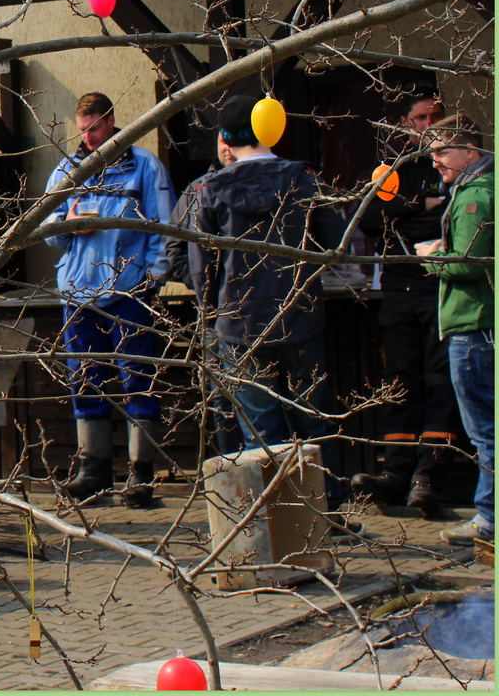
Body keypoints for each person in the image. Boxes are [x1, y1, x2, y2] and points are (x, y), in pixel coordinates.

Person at [188, 95, 349, 511]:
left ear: (225, 138)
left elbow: (200, 265)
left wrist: (212, 310)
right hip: (300, 317)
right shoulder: (304, 180)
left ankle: (281, 522)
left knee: (261, 432)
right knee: (314, 423)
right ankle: (326, 511)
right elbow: (337, 242)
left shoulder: (210, 191)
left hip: (239, 325)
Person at [43, 93, 176, 506]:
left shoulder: (143, 165)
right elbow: (44, 226)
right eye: (82, 129)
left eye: (94, 128)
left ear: (112, 121)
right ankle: (94, 471)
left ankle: (140, 474)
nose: (88, 137)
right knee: (85, 379)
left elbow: (164, 226)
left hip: (128, 291)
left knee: (139, 377)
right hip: (80, 293)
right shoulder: (67, 169)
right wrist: (66, 224)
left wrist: (151, 279)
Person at [353, 92, 460, 514]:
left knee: (439, 381)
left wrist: (406, 214)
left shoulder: (452, 167)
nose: (429, 124)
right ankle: (394, 474)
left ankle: (428, 477)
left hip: (440, 289)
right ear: (404, 123)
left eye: (436, 116)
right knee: (399, 383)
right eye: (421, 118)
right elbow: (370, 221)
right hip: (398, 289)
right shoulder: (393, 169)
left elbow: (448, 218)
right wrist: (418, 206)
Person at [417, 116, 493, 550]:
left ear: (470, 151)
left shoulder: (474, 198)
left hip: (474, 328)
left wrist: (431, 257)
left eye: (442, 151)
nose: (435, 162)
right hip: (484, 325)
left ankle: (489, 520)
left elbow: (467, 264)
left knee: (485, 432)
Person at [168, 135, 240, 455]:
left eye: (234, 140)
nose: (227, 148)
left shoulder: (274, 182)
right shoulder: (196, 190)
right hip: (213, 315)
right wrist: (203, 286)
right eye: (222, 140)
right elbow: (174, 246)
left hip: (261, 313)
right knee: (223, 401)